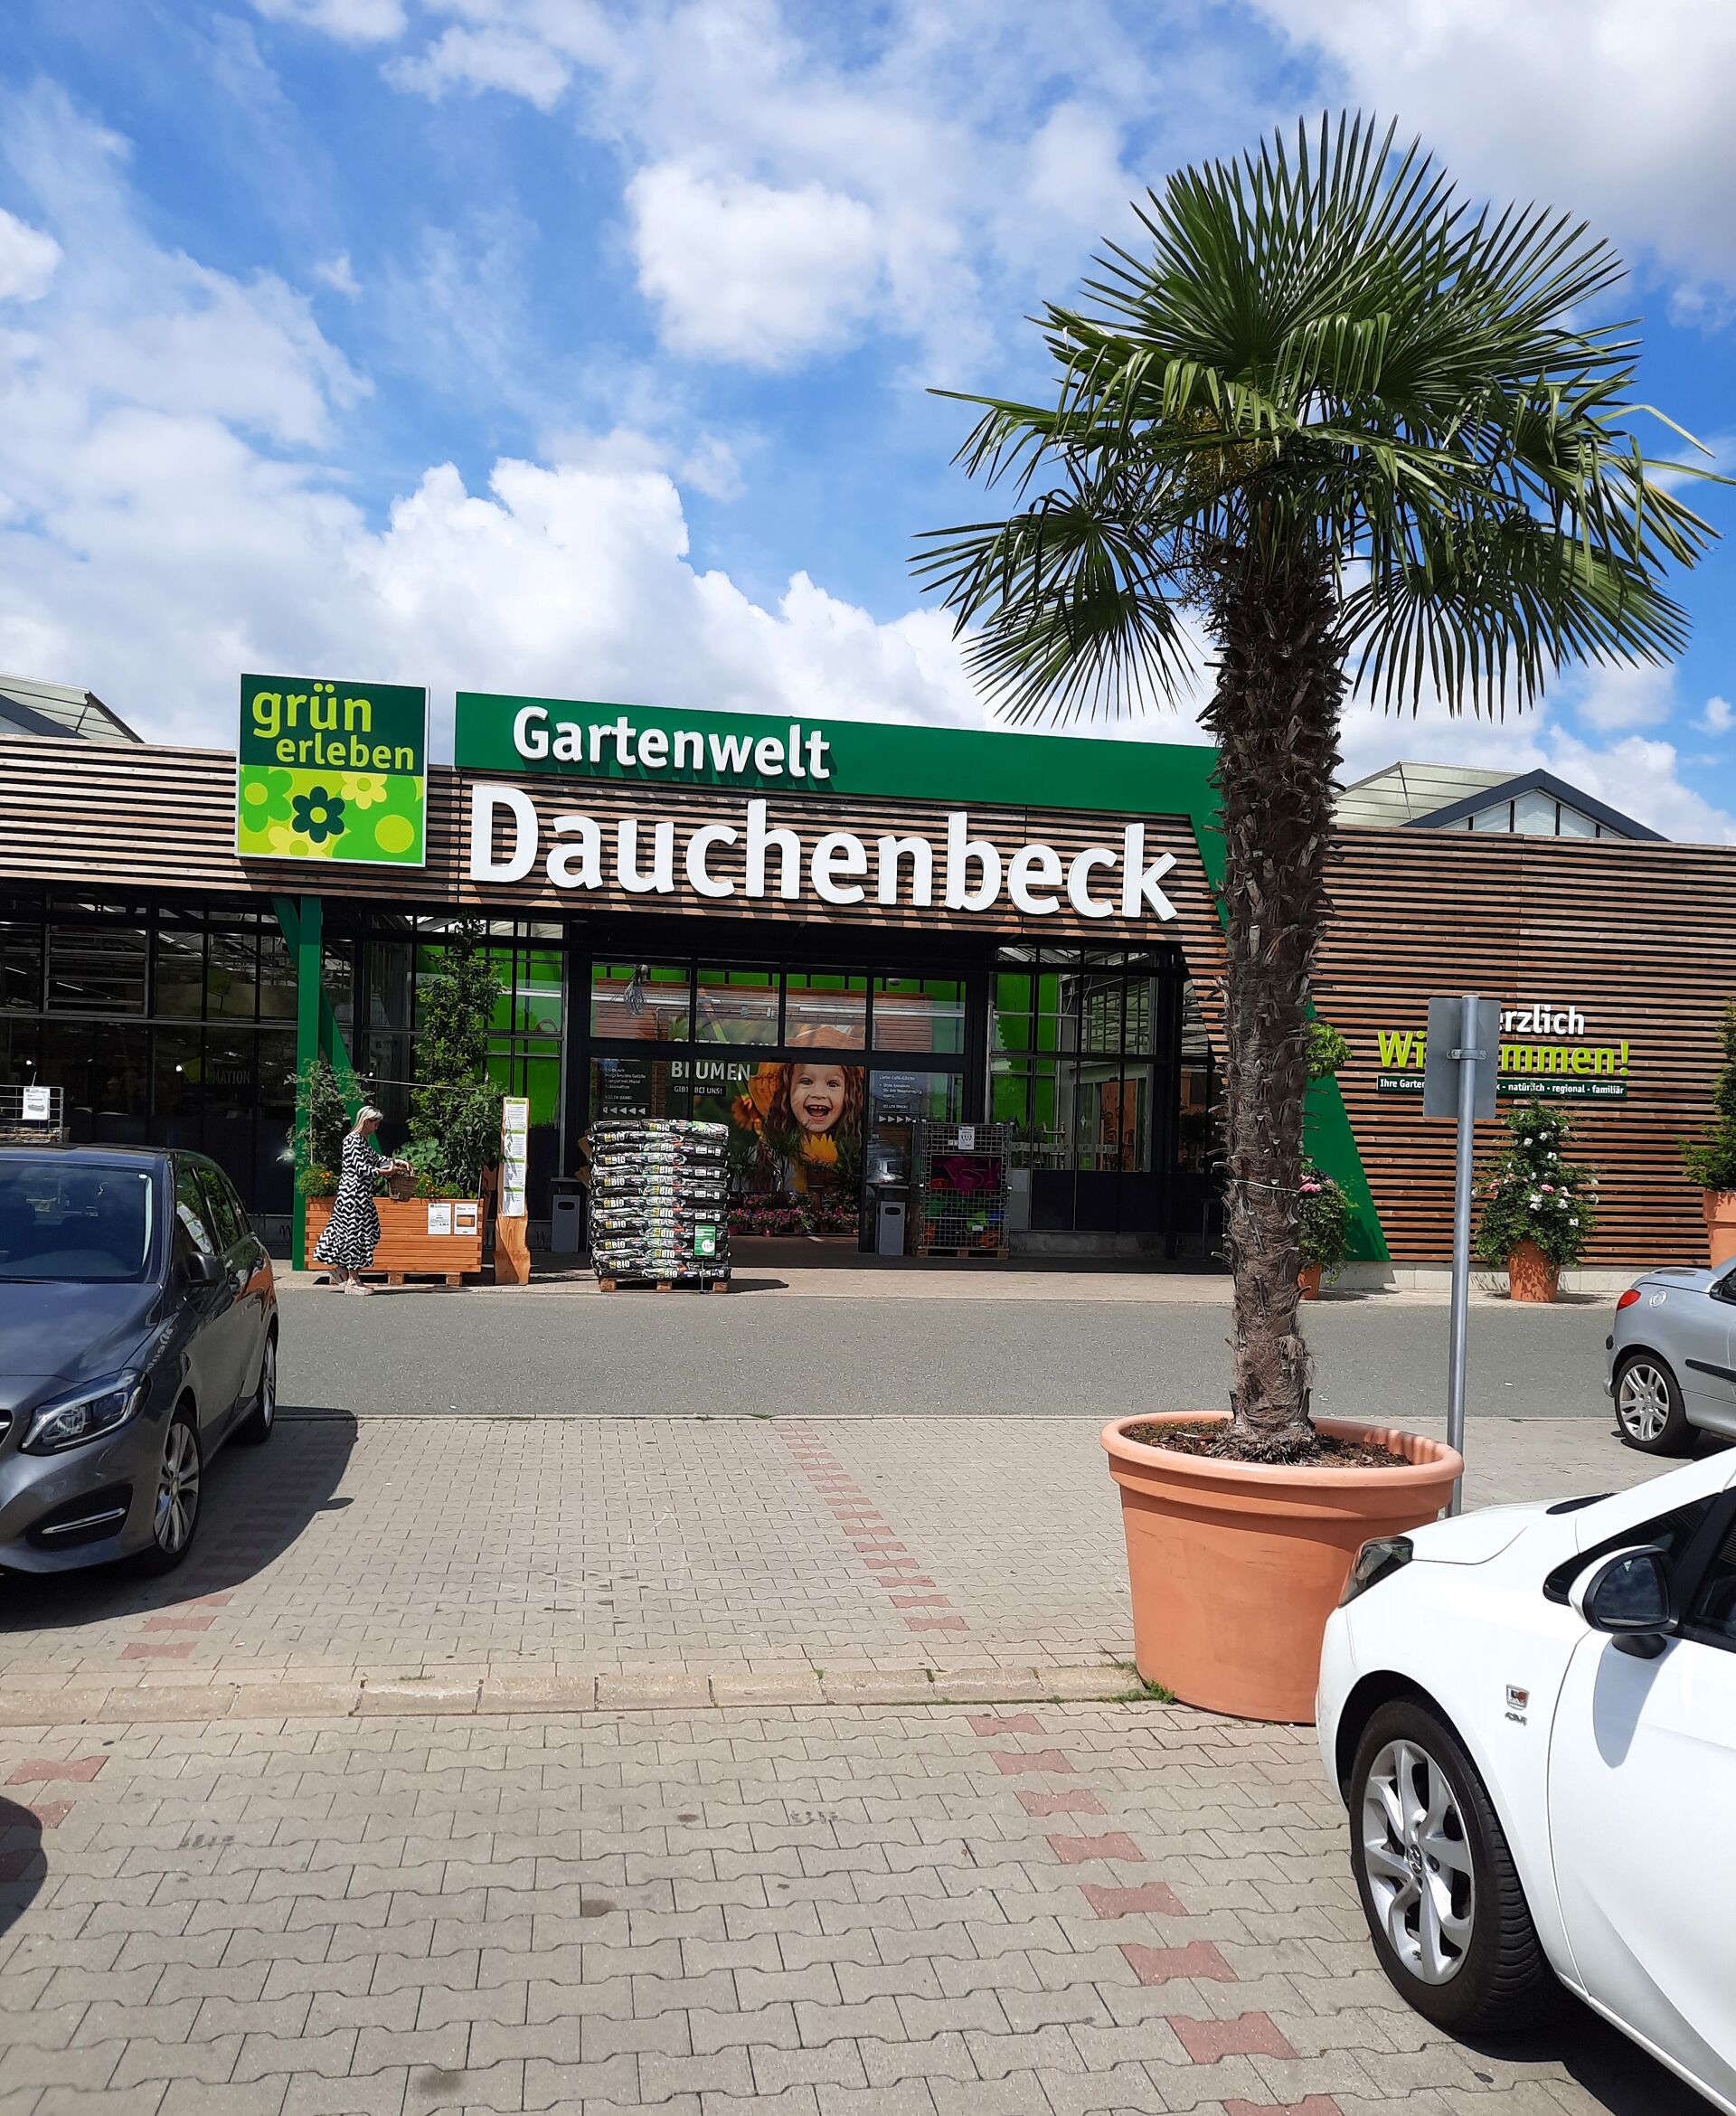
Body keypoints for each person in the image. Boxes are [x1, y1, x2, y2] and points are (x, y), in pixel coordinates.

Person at [314, 1105, 404, 1294]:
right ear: (366, 1121)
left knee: (364, 1231)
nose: (377, 1127)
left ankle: (341, 1270)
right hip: (353, 1195)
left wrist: (395, 1162)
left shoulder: (361, 1141)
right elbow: (360, 1168)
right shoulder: (353, 1140)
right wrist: (385, 1172)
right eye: (375, 1123)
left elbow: (376, 1158)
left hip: (359, 1194)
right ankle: (353, 1280)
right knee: (356, 1235)